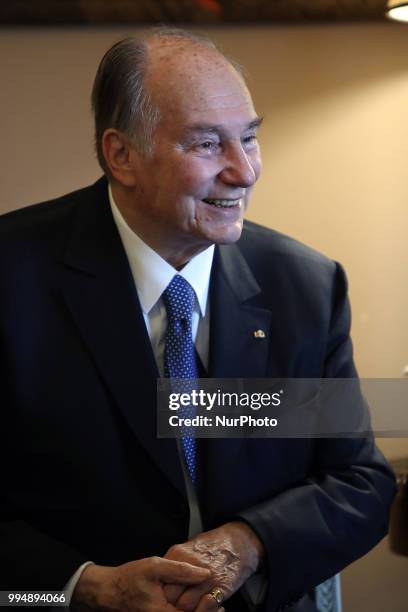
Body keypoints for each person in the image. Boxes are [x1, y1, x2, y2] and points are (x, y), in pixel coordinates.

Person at [0, 27, 396, 612]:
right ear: (121, 155)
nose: (245, 171)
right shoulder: (13, 277)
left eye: (251, 138)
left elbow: (359, 482)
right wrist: (82, 588)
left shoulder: (304, 285)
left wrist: (252, 541)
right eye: (208, 144)